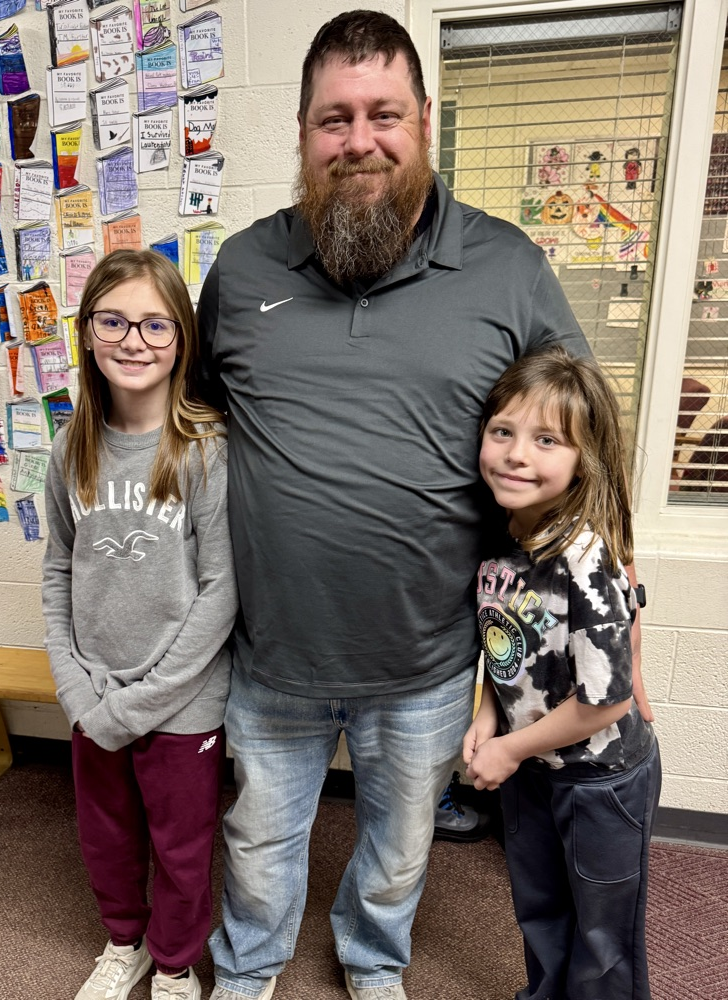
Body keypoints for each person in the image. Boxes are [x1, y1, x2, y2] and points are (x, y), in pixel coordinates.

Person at [197, 11, 648, 1000]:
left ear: (425, 120)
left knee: (399, 848)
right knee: (258, 841)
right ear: (304, 132)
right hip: (274, 654)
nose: (359, 140)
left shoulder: (508, 266)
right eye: (335, 118)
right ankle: (248, 965)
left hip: (428, 663)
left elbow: (586, 446)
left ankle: (373, 961)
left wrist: (619, 626)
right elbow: (194, 428)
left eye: (384, 114)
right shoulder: (242, 268)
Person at [42, 250, 238, 1000]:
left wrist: (141, 701)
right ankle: (123, 943)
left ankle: (175, 963)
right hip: (94, 697)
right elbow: (58, 572)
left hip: (181, 702)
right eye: (114, 322)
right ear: (88, 333)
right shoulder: (72, 446)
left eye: (156, 324)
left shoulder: (205, 450)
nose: (134, 341)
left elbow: (221, 590)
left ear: (182, 337)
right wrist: (76, 690)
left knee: (181, 849)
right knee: (107, 838)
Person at [463, 346, 661, 1000]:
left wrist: (508, 748)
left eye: (547, 440)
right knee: (541, 910)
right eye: (503, 432)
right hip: (531, 769)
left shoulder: (586, 558)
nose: (517, 455)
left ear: (584, 460)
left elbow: (606, 703)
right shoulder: (499, 534)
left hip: (600, 779)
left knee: (602, 934)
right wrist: (488, 715)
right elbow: (505, 642)